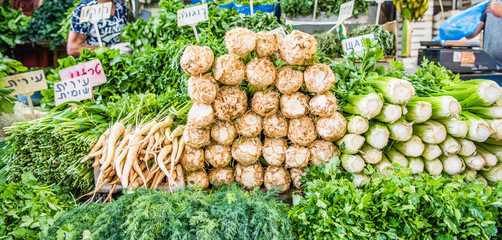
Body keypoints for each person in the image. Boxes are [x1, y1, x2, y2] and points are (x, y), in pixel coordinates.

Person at [67, 0, 132, 57]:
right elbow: (73, 48)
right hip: (94, 67)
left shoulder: (120, 7)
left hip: (116, 65)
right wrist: (110, 50)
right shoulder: (86, 7)